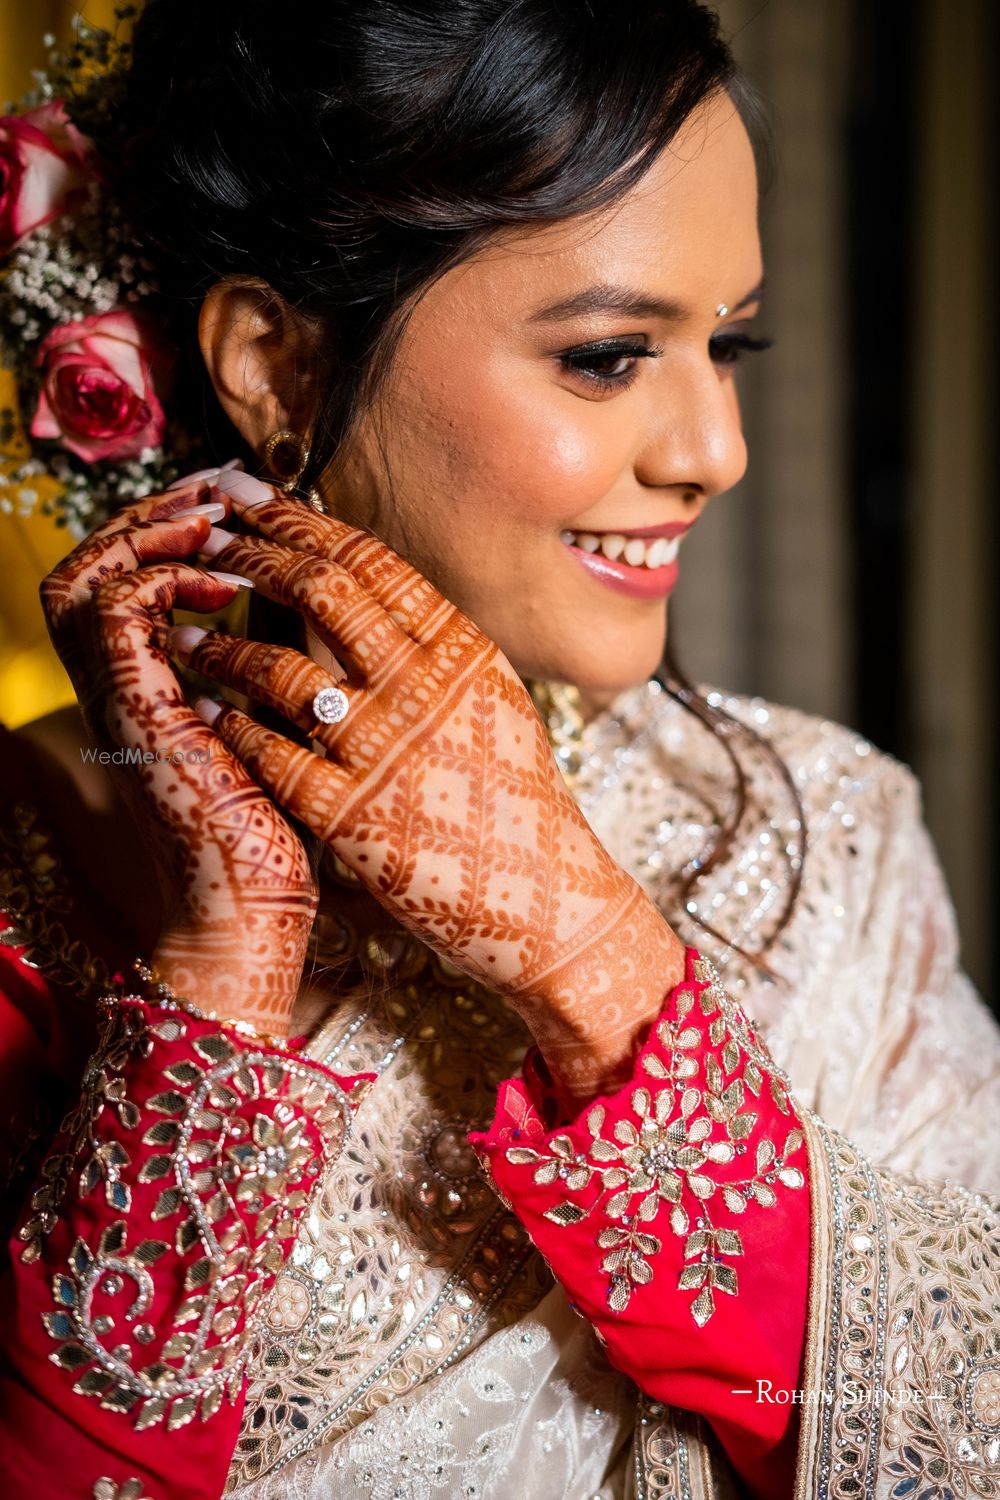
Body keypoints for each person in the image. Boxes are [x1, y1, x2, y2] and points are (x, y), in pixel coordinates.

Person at [1, 3, 998, 1497]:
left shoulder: (828, 836)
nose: (713, 448)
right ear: (271, 362)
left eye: (729, 342)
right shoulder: (28, 874)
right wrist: (216, 988)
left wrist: (594, 963)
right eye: (607, 357)